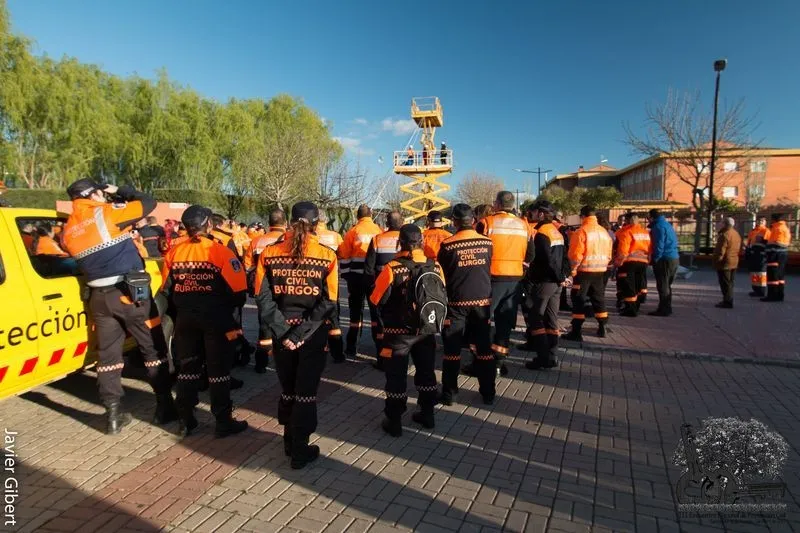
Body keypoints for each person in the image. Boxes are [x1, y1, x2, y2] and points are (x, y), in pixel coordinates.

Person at [61, 179, 174, 434]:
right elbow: (148, 203)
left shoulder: (67, 229)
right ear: (96, 193)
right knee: (152, 348)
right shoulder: (105, 213)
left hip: (99, 299)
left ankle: (112, 414)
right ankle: (165, 406)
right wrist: (120, 191)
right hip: (129, 294)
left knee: (108, 356)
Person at [256, 202, 338, 469]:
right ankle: (299, 448)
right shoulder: (327, 255)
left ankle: (289, 441)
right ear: (316, 224)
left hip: (283, 334)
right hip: (312, 334)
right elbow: (330, 301)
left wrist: (283, 331)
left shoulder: (269, 252)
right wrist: (301, 332)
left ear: (291, 221)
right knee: (305, 392)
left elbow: (262, 297)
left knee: (289, 389)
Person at [161, 205, 249, 438]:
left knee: (187, 370)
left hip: (185, 320)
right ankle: (223, 420)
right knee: (218, 371)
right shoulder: (220, 252)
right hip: (216, 319)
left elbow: (166, 289)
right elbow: (239, 293)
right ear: (209, 224)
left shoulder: (174, 252)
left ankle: (186, 420)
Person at [370, 224, 443, 436]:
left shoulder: (393, 268)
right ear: (421, 242)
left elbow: (376, 299)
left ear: (399, 242)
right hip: (427, 329)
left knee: (396, 376)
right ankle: (427, 414)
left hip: (397, 333)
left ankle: (394, 421)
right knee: (427, 372)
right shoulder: (434, 266)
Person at [437, 204, 494, 405]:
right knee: (484, 347)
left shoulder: (448, 245)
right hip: (482, 301)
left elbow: (442, 273)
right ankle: (488, 392)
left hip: (456, 302)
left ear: (454, 221)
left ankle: (449, 393)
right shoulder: (487, 243)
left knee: (451, 349)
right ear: (473, 220)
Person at [475, 191, 534, 375]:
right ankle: (499, 362)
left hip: (491, 278)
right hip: (515, 279)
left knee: (482, 320)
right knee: (505, 322)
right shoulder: (524, 226)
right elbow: (531, 254)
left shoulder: (486, 223)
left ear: (497, 204)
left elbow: (477, 249)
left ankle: (481, 361)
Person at [523, 201, 570, 370]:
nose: (532, 215)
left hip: (545, 282)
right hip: (556, 283)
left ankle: (543, 356)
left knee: (536, 318)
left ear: (541, 214)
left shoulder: (541, 233)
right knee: (551, 318)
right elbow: (564, 257)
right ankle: (552, 354)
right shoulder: (556, 232)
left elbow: (547, 260)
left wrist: (558, 276)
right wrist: (564, 276)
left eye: (534, 212)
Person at [562, 206, 613, 342]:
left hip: (583, 272)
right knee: (598, 299)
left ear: (583, 216)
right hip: (600, 271)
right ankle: (602, 326)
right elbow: (609, 253)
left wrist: (572, 270)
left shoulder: (581, 232)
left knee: (578, 299)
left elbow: (575, 255)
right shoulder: (604, 232)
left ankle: (576, 332)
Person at [339, 205, 382, 358]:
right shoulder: (379, 231)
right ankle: (379, 348)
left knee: (355, 314)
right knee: (375, 314)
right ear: (371, 215)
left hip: (355, 278)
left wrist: (346, 276)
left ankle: (351, 347)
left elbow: (344, 255)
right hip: (374, 279)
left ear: (357, 216)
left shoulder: (352, 231)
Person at [364, 211, 403, 369]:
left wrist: (371, 290)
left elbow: (369, 269)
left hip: (382, 289)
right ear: (402, 222)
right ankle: (400, 357)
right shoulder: (409, 239)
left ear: (387, 222)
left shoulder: (377, 240)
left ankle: (383, 359)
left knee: (380, 326)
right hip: (402, 289)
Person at [315, 211, 345, 363]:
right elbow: (343, 254)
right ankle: (337, 353)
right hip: (331, 280)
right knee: (333, 315)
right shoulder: (335, 236)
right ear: (325, 220)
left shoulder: (311, 235)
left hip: (313, 280)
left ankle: (318, 347)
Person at [615, 213, 651, 317]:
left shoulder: (626, 232)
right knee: (638, 285)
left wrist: (619, 261)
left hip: (629, 262)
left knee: (629, 286)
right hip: (643, 262)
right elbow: (650, 247)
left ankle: (630, 309)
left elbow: (623, 250)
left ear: (627, 220)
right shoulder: (645, 232)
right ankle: (636, 306)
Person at [647, 209, 679, 316]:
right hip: (673, 257)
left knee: (663, 285)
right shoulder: (666, 224)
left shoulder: (658, 227)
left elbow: (659, 244)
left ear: (651, 217)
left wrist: (655, 259)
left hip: (664, 258)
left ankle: (664, 309)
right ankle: (666, 307)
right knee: (667, 285)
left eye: (648, 218)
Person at [712, 217, 741, 309]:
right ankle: (729, 299)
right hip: (734, 260)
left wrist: (717, 260)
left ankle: (727, 301)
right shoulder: (736, 234)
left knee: (725, 283)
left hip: (725, 262)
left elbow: (720, 250)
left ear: (725, 224)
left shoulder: (725, 235)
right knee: (730, 282)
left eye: (721, 223)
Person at [763, 213, 791, 302]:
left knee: (772, 276)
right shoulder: (785, 228)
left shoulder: (777, 228)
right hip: (782, 255)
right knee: (780, 276)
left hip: (775, 255)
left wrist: (768, 246)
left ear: (774, 220)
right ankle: (779, 295)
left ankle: (772, 296)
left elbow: (777, 242)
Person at [745, 217, 770, 297]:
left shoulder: (766, 231)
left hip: (761, 254)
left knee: (761, 273)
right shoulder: (753, 231)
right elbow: (749, 242)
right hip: (753, 253)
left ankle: (761, 290)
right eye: (759, 220)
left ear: (765, 222)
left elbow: (767, 243)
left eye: (762, 221)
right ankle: (755, 289)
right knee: (754, 273)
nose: (760, 222)